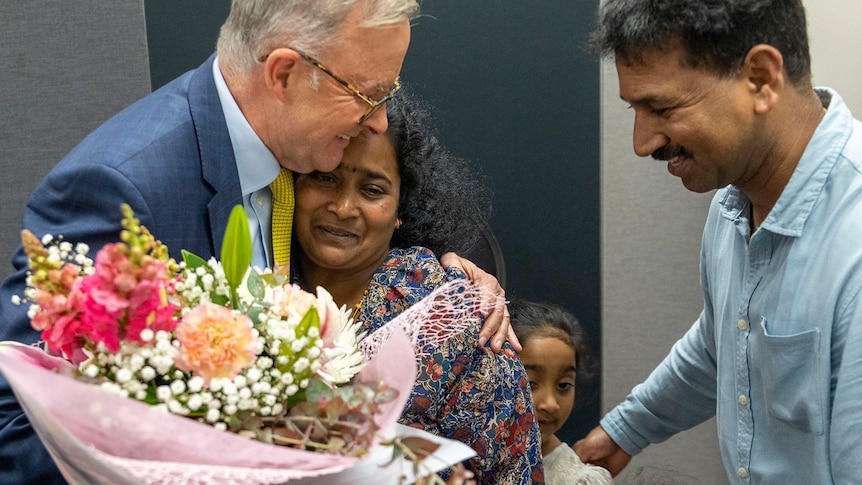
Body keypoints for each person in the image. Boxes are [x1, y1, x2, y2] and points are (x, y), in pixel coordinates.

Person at [0, 2, 514, 483]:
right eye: (367, 94)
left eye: (389, 93)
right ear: (284, 74)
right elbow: (17, 428)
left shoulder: (294, 151)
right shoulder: (123, 189)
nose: (378, 120)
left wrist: (457, 275)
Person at [574, 1, 862, 483]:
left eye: (661, 108)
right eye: (635, 110)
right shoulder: (732, 208)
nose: (642, 142)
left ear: (761, 79)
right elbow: (725, 345)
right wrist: (626, 429)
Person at [292, 91, 544, 484]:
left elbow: (509, 470)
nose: (343, 207)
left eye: (372, 190)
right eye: (325, 178)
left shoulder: (461, 325)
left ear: (399, 210)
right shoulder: (251, 289)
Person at [509, 299, 613, 485]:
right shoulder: (455, 461)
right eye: (530, 383)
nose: (550, 404)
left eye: (564, 386)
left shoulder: (580, 480)